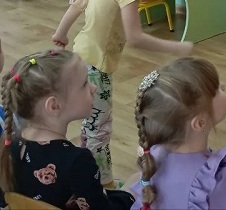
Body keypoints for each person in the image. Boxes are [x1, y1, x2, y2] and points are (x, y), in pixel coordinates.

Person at [52, 0, 193, 190]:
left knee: (90, 123)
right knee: (99, 127)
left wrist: (61, 32)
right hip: (96, 66)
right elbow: (135, 37)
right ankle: (102, 184)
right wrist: (177, 47)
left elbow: (78, 4)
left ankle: (85, 173)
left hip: (79, 55)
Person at [0, 49, 134, 209]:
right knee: (135, 183)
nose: (93, 87)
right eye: (84, 84)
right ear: (54, 106)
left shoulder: (10, 142)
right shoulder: (77, 161)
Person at [131, 57, 226, 210]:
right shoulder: (220, 178)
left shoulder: (152, 157)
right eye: (216, 89)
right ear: (200, 123)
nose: (223, 85)